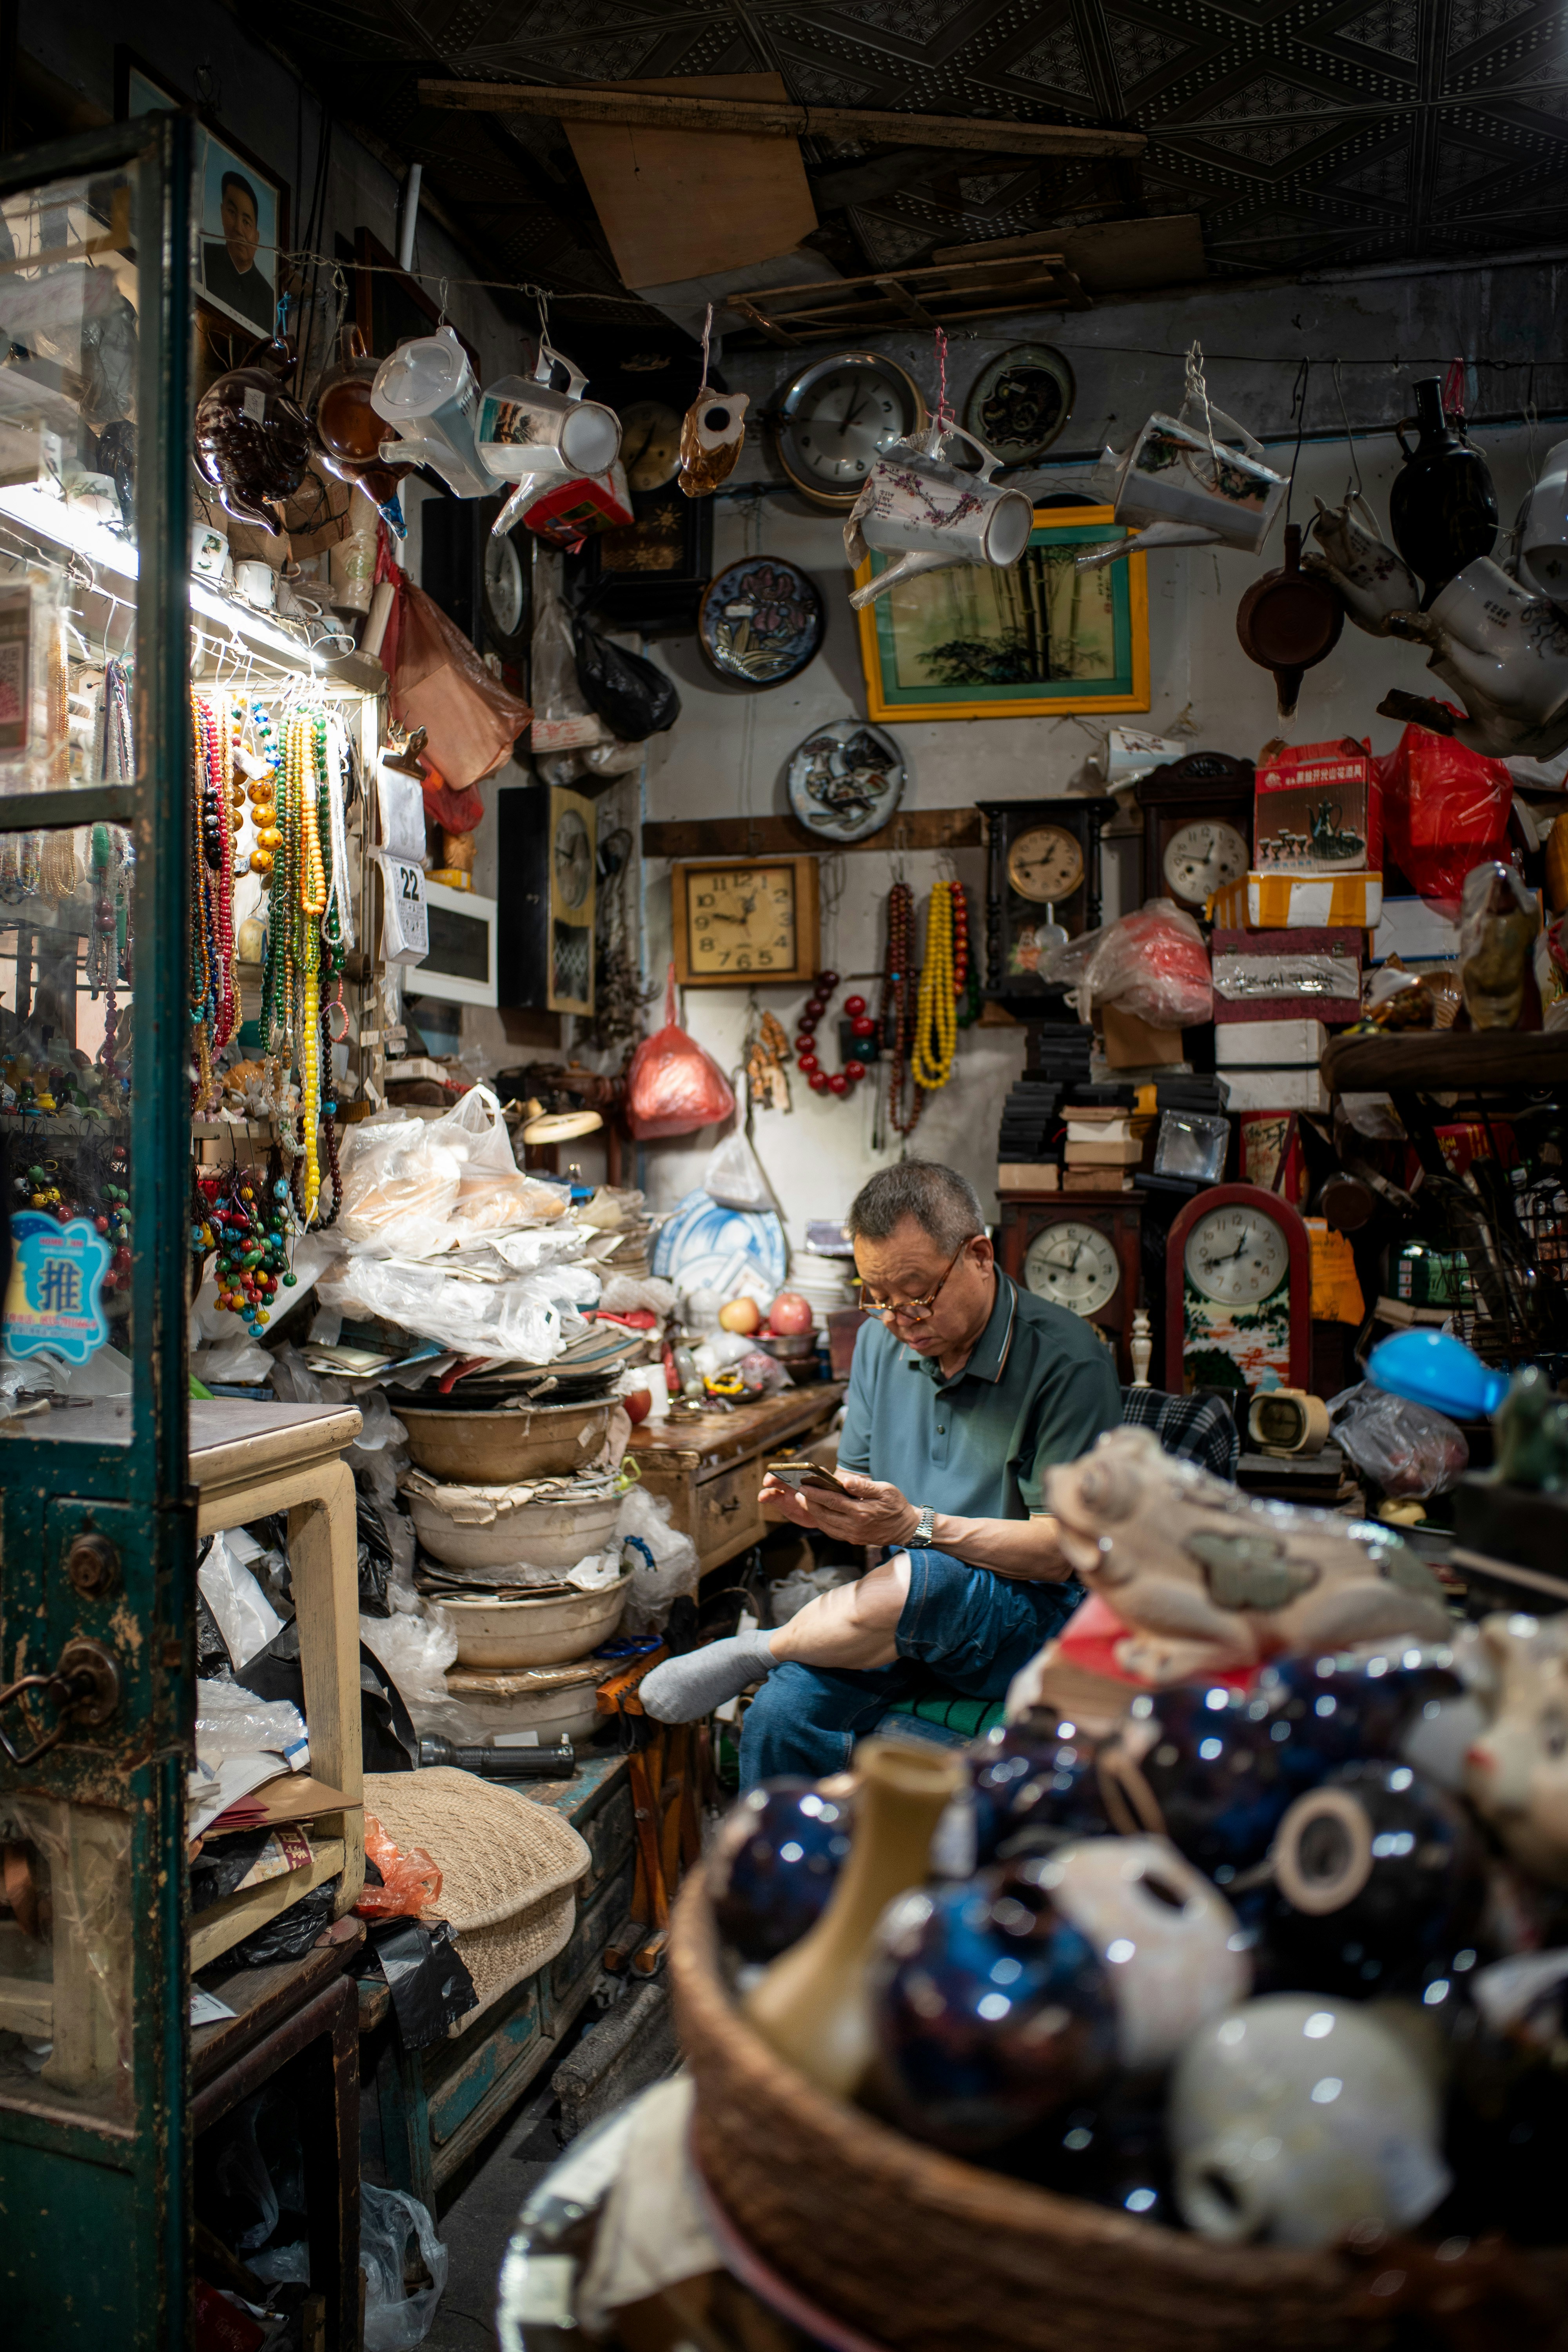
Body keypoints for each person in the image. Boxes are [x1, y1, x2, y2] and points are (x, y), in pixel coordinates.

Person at [640, 1161, 1123, 1781]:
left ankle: (763, 1647)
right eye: (878, 1297)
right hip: (905, 1614)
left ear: (979, 1255)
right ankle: (783, 1874)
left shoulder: (1067, 1362)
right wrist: (838, 1513)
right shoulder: (879, 1342)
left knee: (931, 1576)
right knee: (781, 1718)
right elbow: (868, 1493)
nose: (899, 1318)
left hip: (1032, 1620)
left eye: (917, 1295)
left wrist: (918, 1528)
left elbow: (1063, 1554)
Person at [202, 169, 272, 334]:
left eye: (247, 222)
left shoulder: (269, 300)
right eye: (232, 213)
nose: (238, 229)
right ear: (222, 213)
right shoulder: (201, 256)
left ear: (257, 237)